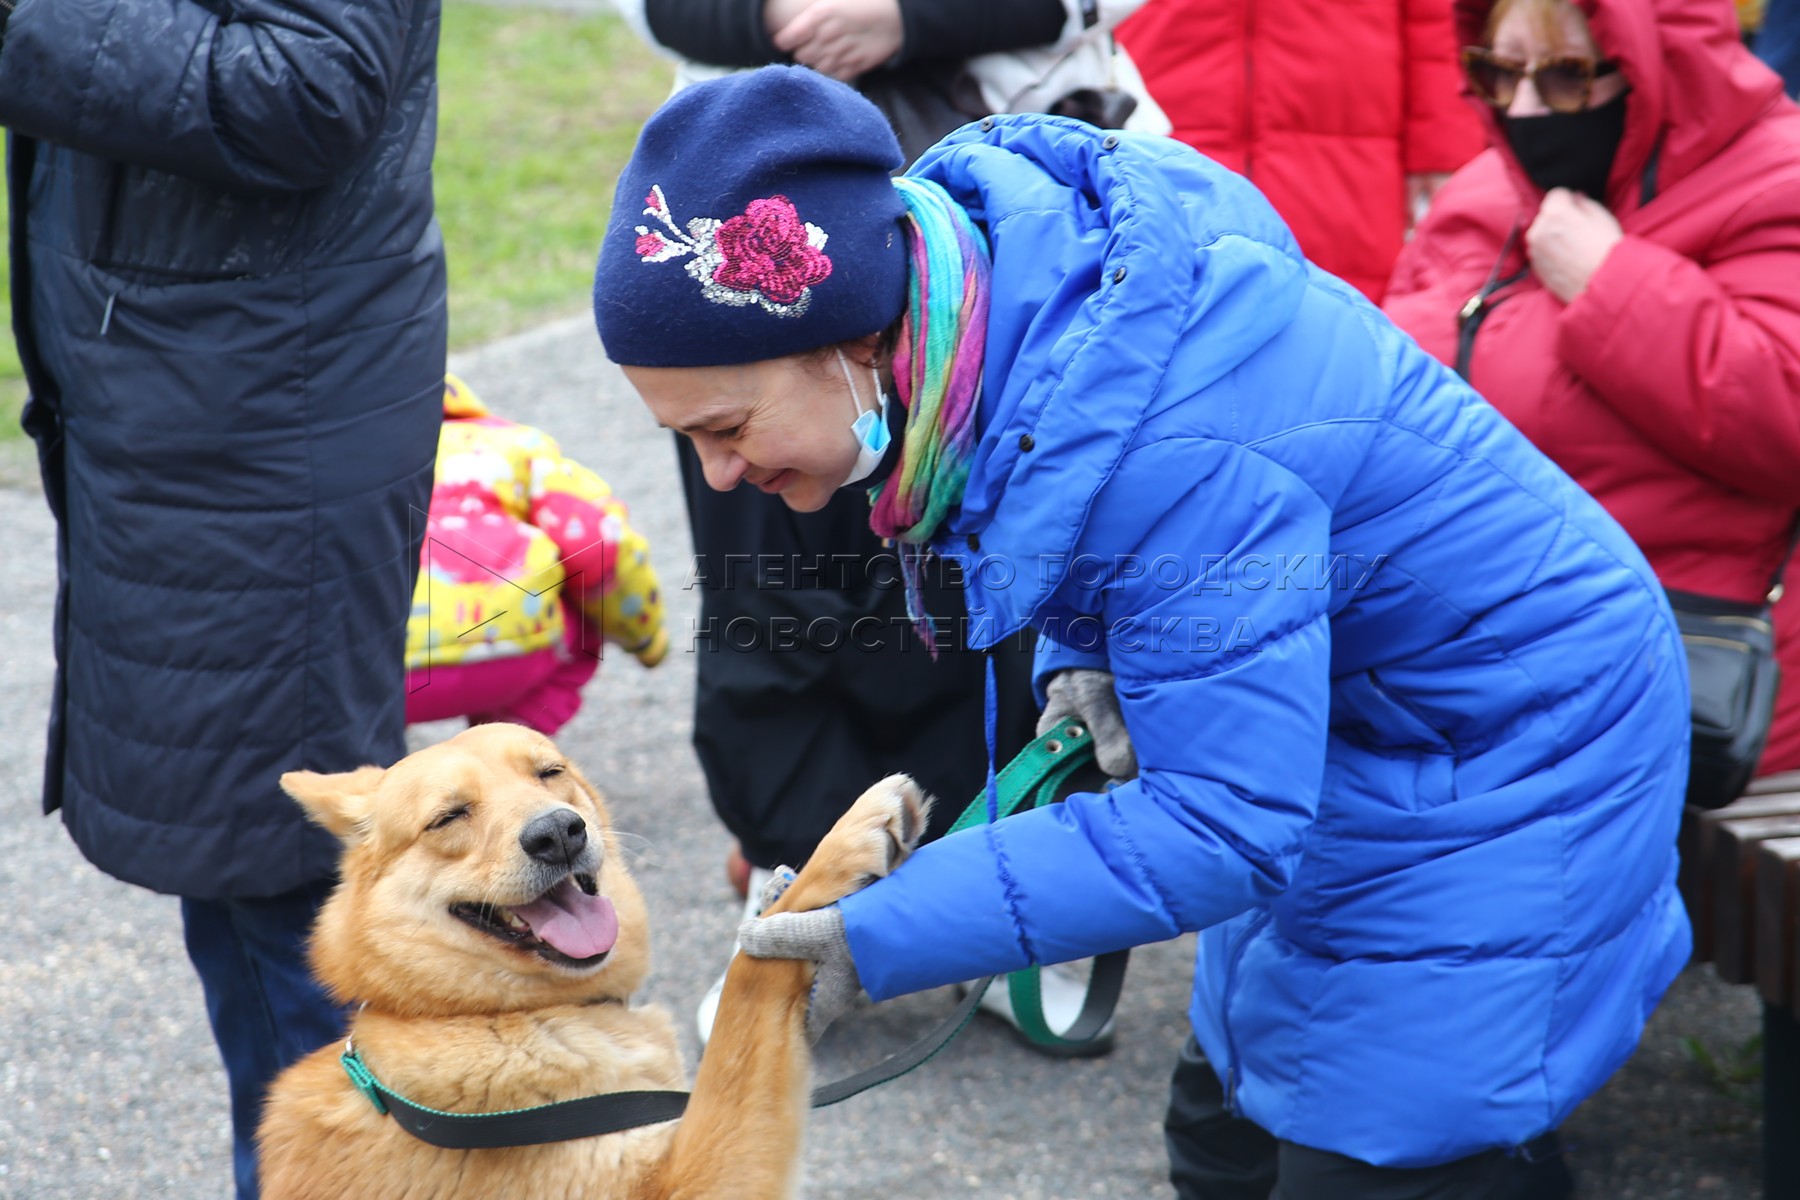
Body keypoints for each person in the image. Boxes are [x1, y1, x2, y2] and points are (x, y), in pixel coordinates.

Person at [594, 65, 1692, 1196]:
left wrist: (880, 931)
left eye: (726, 428)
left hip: (1517, 746)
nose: (719, 472)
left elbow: (1223, 822)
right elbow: (1082, 521)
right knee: (1222, 1142)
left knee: (1386, 1159)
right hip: (1362, 728)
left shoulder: (1180, 442)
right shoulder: (1007, 319)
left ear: (854, 342)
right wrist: (1089, 666)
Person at [612, 0, 1159, 1049]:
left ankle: (994, 887)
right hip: (716, 237)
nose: (711, 470)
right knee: (769, 587)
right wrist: (772, 17)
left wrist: (908, 19)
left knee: (989, 582)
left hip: (971, 217)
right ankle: (806, 883)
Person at [0, 0, 446, 1193]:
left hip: (258, 417)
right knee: (252, 884)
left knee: (287, 902)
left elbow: (310, 84)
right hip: (199, 395)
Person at [1382, 0, 1800, 790]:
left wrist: (1613, 285)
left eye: (1568, 76)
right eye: (1498, 74)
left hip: (1681, 694)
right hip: (1473, 691)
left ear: (1654, 67)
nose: (1527, 109)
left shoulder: (1777, 181)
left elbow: (1785, 414)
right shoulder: (1483, 194)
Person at [1116, 0, 1485, 302]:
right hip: (1159, 114)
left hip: (1347, 131)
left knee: (1340, 326)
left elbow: (1439, 15)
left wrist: (1443, 143)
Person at [403, 374, 668, 736]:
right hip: (509, 655)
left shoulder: (346, 454)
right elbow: (599, 547)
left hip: (374, 673)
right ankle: (512, 744)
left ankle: (368, 771)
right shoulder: (511, 444)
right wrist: (645, 637)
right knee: (585, 607)